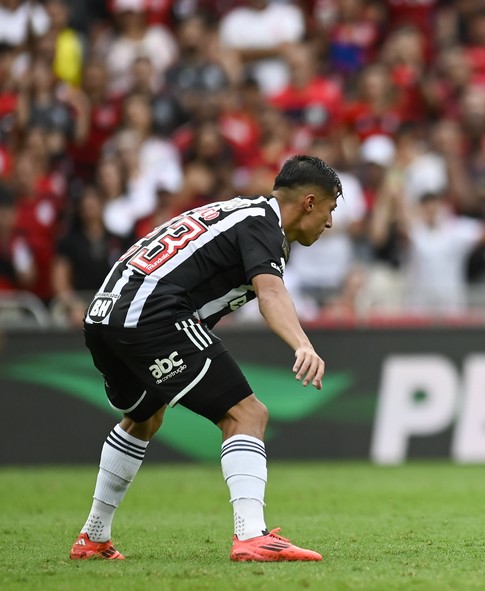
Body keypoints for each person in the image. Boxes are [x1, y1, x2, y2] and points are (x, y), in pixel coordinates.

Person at [69, 155, 341, 562]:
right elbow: (270, 293)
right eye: (330, 209)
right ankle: (251, 535)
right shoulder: (262, 224)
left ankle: (93, 537)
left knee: (144, 417)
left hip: (105, 315)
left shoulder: (235, 213)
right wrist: (302, 343)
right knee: (247, 415)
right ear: (308, 202)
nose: (330, 222)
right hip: (151, 312)